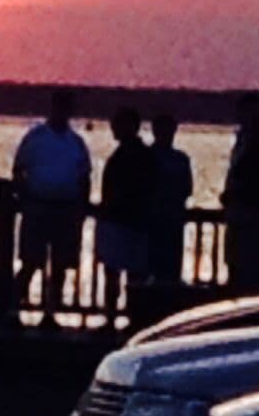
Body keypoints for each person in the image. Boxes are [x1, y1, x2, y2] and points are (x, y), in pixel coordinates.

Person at [12, 89, 91, 324]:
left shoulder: (76, 142)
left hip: (65, 210)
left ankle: (50, 314)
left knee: (60, 266)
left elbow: (84, 177)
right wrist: (25, 198)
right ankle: (12, 311)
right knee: (30, 262)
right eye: (60, 106)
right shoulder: (35, 137)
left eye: (67, 107)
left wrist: (81, 208)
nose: (63, 111)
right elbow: (19, 169)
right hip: (38, 206)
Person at [94, 106, 154, 320]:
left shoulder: (140, 155)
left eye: (118, 124)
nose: (114, 128)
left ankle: (129, 317)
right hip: (119, 222)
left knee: (130, 274)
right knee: (115, 272)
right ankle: (116, 317)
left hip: (130, 223)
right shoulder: (128, 154)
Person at [221, 92, 259, 293]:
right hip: (244, 211)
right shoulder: (248, 140)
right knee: (240, 258)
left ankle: (252, 293)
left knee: (253, 260)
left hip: (254, 212)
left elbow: (256, 178)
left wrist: (237, 193)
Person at [147, 112, 194, 286]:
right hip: (152, 222)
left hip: (171, 221)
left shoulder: (181, 159)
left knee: (170, 267)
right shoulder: (146, 157)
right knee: (152, 266)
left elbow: (187, 189)